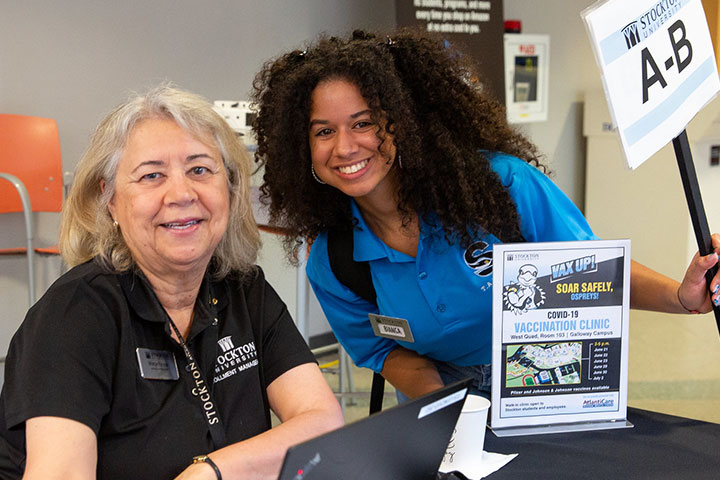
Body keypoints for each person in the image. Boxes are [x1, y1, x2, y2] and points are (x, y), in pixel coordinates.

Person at [251, 29, 720, 401]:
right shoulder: (335, 262)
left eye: (364, 122)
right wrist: (449, 407)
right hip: (443, 391)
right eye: (323, 131)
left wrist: (681, 298)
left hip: (548, 372)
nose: (345, 146)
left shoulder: (500, 187)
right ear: (303, 150)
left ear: (402, 123)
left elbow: (591, 273)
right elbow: (382, 350)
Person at [0, 85, 344, 480]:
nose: (181, 193)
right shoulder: (73, 315)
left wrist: (211, 472)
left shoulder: (243, 288)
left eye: (199, 170)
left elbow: (322, 420)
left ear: (229, 188)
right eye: (151, 175)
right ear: (111, 200)